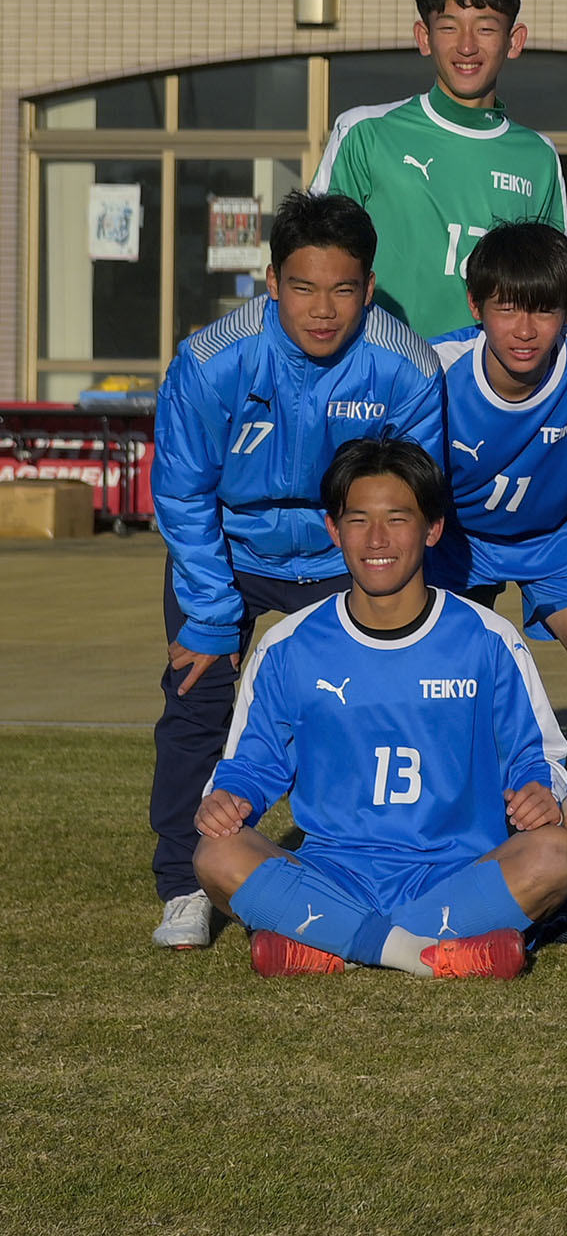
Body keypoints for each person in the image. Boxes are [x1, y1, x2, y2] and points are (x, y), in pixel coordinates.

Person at [148, 190, 444, 951]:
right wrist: (212, 618)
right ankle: (185, 882)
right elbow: (182, 492)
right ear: (271, 280)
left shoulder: (403, 366)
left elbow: (413, 490)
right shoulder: (210, 359)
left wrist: (377, 574)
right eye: (304, 288)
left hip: (341, 553)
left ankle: (376, 861)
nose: (323, 310)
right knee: (197, 696)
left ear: (369, 288)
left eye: (344, 290)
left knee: (368, 701)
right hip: (231, 552)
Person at [192, 439, 567, 980]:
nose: (377, 540)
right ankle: (426, 951)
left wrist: (540, 791)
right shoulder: (288, 646)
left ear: (432, 529)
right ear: (333, 529)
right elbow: (250, 767)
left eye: (398, 519)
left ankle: (332, 940)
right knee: (215, 856)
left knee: (554, 854)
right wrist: (229, 800)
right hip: (334, 871)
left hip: (457, 869)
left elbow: (537, 757)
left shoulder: (487, 638)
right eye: (358, 521)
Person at [314, 0, 567, 341]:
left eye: (485, 28)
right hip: (387, 379)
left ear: (514, 41)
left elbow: (549, 290)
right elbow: (316, 264)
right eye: (449, 27)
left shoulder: (538, 157)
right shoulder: (365, 132)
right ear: (424, 36)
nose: (466, 46)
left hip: (487, 387)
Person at [426, 221, 567, 696]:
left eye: (545, 311)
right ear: (475, 305)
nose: (525, 330)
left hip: (556, 541)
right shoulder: (435, 368)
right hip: (458, 544)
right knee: (445, 683)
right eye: (505, 309)